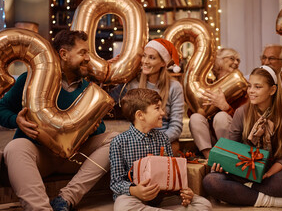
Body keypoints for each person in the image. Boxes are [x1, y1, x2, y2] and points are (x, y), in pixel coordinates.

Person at [0, 30, 117, 210]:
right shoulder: (30, 80)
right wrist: (16, 120)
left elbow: (100, 127)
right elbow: (1, 108)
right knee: (15, 148)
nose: (88, 58)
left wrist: (89, 126)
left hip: (74, 157)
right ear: (63, 54)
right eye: (83, 52)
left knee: (115, 139)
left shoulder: (88, 88)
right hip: (40, 155)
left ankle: (66, 199)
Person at [202, 66, 282, 209]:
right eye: (249, 86)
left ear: (272, 90)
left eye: (258, 87)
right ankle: (276, 201)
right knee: (211, 181)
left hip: (271, 174)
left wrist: (267, 174)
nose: (251, 91)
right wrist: (222, 165)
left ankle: (245, 193)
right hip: (241, 172)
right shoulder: (241, 113)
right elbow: (230, 150)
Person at [110, 88, 212, 211]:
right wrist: (135, 190)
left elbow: (172, 174)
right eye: (157, 108)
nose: (163, 113)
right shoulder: (119, 142)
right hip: (135, 197)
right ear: (140, 115)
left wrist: (184, 192)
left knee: (204, 204)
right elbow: (116, 183)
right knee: (123, 207)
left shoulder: (163, 138)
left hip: (163, 196)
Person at [109, 38, 184, 153]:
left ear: (163, 62)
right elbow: (109, 98)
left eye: (152, 57)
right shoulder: (132, 83)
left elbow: (176, 126)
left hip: (165, 142)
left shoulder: (175, 87)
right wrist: (108, 70)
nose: (145, 61)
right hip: (137, 140)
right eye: (144, 56)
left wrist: (156, 142)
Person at [189, 48, 247, 159]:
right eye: (232, 58)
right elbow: (191, 111)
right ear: (219, 61)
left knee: (221, 117)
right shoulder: (207, 84)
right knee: (195, 117)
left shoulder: (243, 87)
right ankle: (209, 158)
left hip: (233, 139)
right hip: (211, 139)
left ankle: (227, 157)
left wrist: (226, 107)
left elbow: (246, 119)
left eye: (238, 60)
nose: (236, 62)